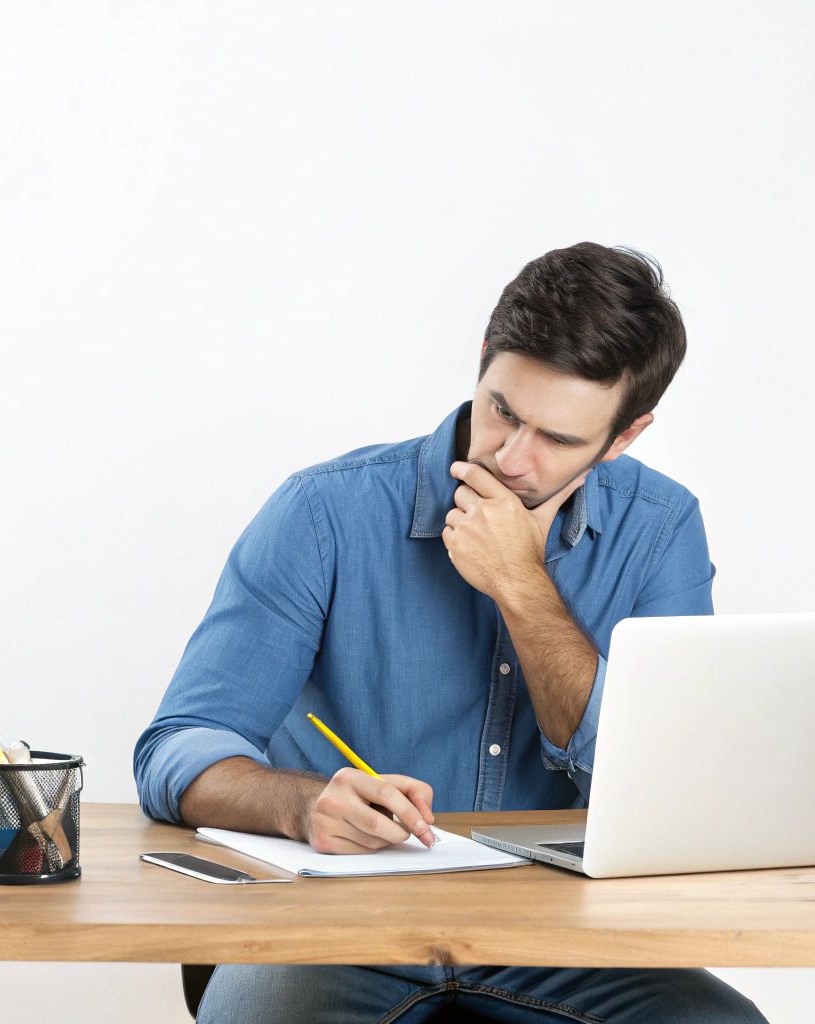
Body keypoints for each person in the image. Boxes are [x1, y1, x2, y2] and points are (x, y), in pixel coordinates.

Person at [133, 243, 766, 1023]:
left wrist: (521, 585)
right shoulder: (325, 513)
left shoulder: (661, 529)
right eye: (503, 409)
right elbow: (178, 748)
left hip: (563, 939)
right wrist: (302, 806)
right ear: (482, 361)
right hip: (332, 931)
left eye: (559, 440)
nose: (511, 456)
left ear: (625, 436)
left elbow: (666, 793)